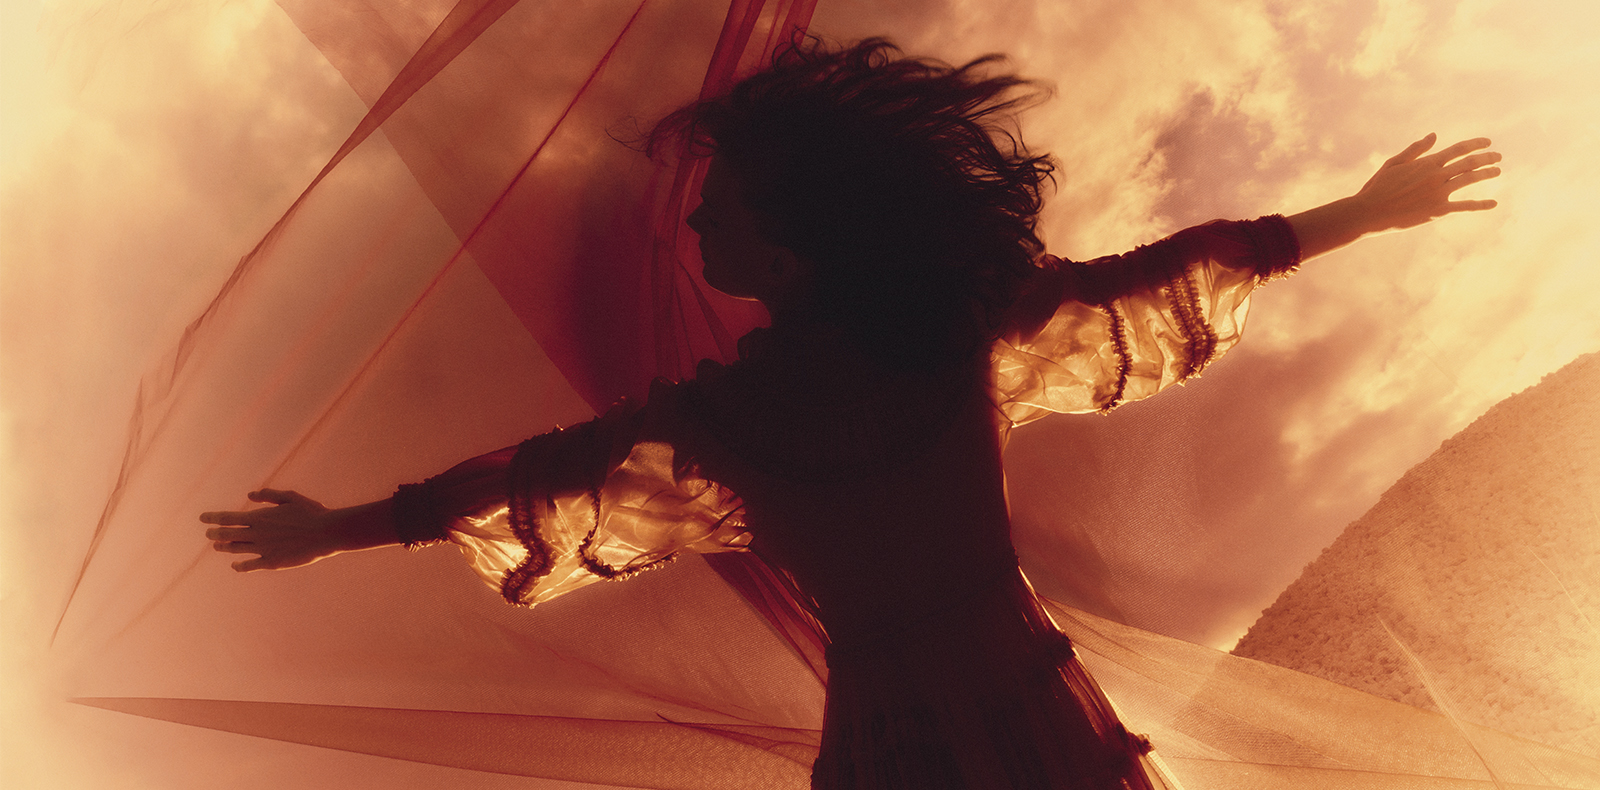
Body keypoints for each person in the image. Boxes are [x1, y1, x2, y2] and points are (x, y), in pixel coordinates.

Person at [201, 38, 1500, 790]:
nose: (696, 224)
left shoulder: (908, 350)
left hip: (971, 725)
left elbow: (1155, 277)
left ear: (795, 241)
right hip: (955, 726)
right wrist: (341, 527)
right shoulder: (786, 394)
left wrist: (1359, 213)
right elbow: (541, 475)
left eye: (721, 207)